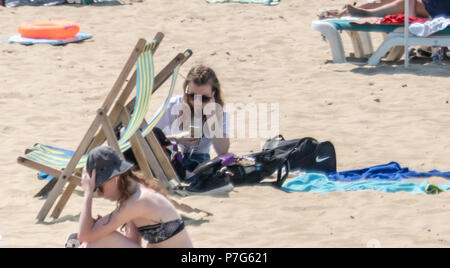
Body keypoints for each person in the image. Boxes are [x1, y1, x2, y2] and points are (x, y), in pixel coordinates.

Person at [72, 146, 193, 248]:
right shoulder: (136, 193)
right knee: (100, 237)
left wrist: (87, 193)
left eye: (99, 187)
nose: (99, 193)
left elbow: (83, 236)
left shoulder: (138, 201)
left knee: (100, 239)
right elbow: (134, 242)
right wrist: (103, 228)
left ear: (115, 178)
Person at [155, 65, 230, 179]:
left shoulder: (219, 112)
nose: (197, 102)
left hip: (200, 159)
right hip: (172, 155)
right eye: (192, 96)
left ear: (213, 93)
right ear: (186, 90)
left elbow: (222, 151)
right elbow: (150, 137)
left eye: (204, 98)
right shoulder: (173, 105)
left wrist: (212, 118)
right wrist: (176, 138)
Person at [329, 0, 450, 18]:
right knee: (383, 1)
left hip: (437, 9)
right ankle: (343, 13)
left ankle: (368, 13)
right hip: (428, 3)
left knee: (404, 2)